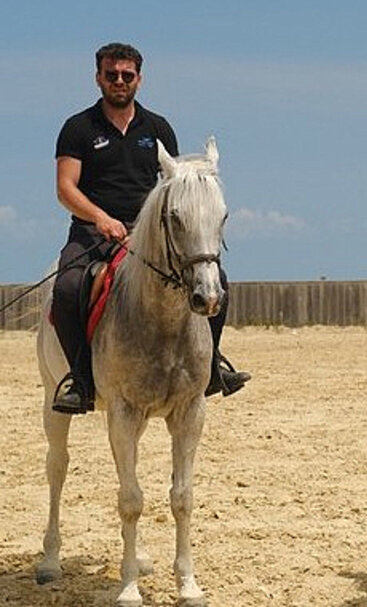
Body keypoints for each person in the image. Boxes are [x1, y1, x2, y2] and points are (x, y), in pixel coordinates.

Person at [51, 42, 250, 415]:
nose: (119, 81)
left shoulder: (157, 128)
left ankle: (211, 367)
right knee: (66, 288)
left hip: (149, 236)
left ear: (139, 79)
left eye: (127, 75)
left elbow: (174, 185)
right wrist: (101, 218)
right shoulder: (78, 128)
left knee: (215, 279)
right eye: (112, 75)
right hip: (93, 232)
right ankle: (80, 378)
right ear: (99, 78)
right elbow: (66, 188)